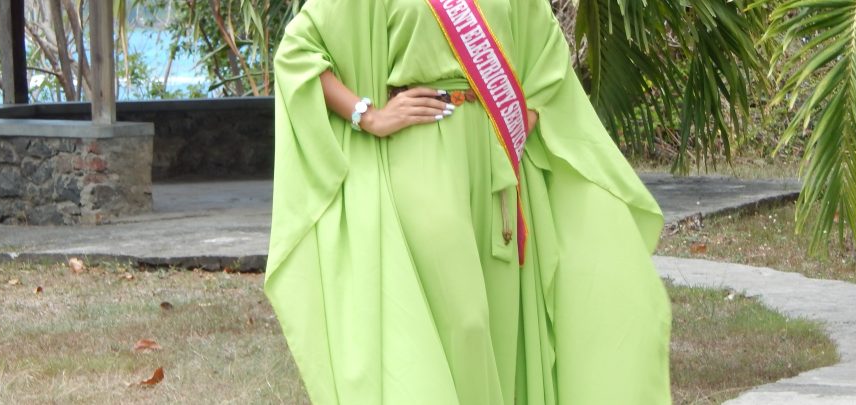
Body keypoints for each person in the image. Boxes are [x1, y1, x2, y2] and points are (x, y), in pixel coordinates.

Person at [265, 0, 671, 403]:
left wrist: (518, 124)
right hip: (421, 157)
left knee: (499, 324)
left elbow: (547, 59)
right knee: (466, 321)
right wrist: (368, 115)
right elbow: (299, 51)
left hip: (498, 163)